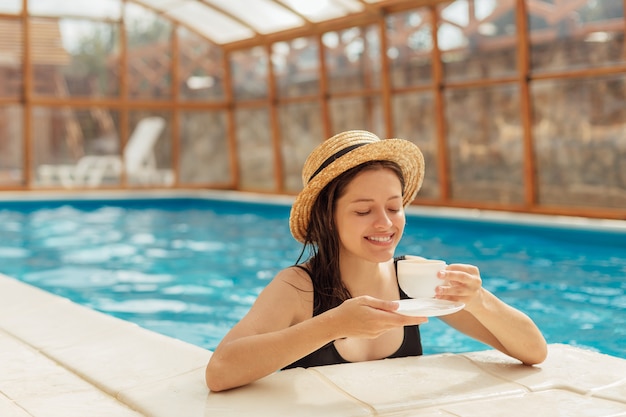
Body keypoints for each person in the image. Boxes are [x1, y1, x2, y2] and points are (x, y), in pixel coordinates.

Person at [205, 130, 547, 392]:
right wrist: (332, 325)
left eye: (394, 207)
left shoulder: (415, 279)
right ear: (328, 218)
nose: (385, 223)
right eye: (363, 210)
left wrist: (478, 300)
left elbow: (534, 351)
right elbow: (220, 371)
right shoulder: (298, 288)